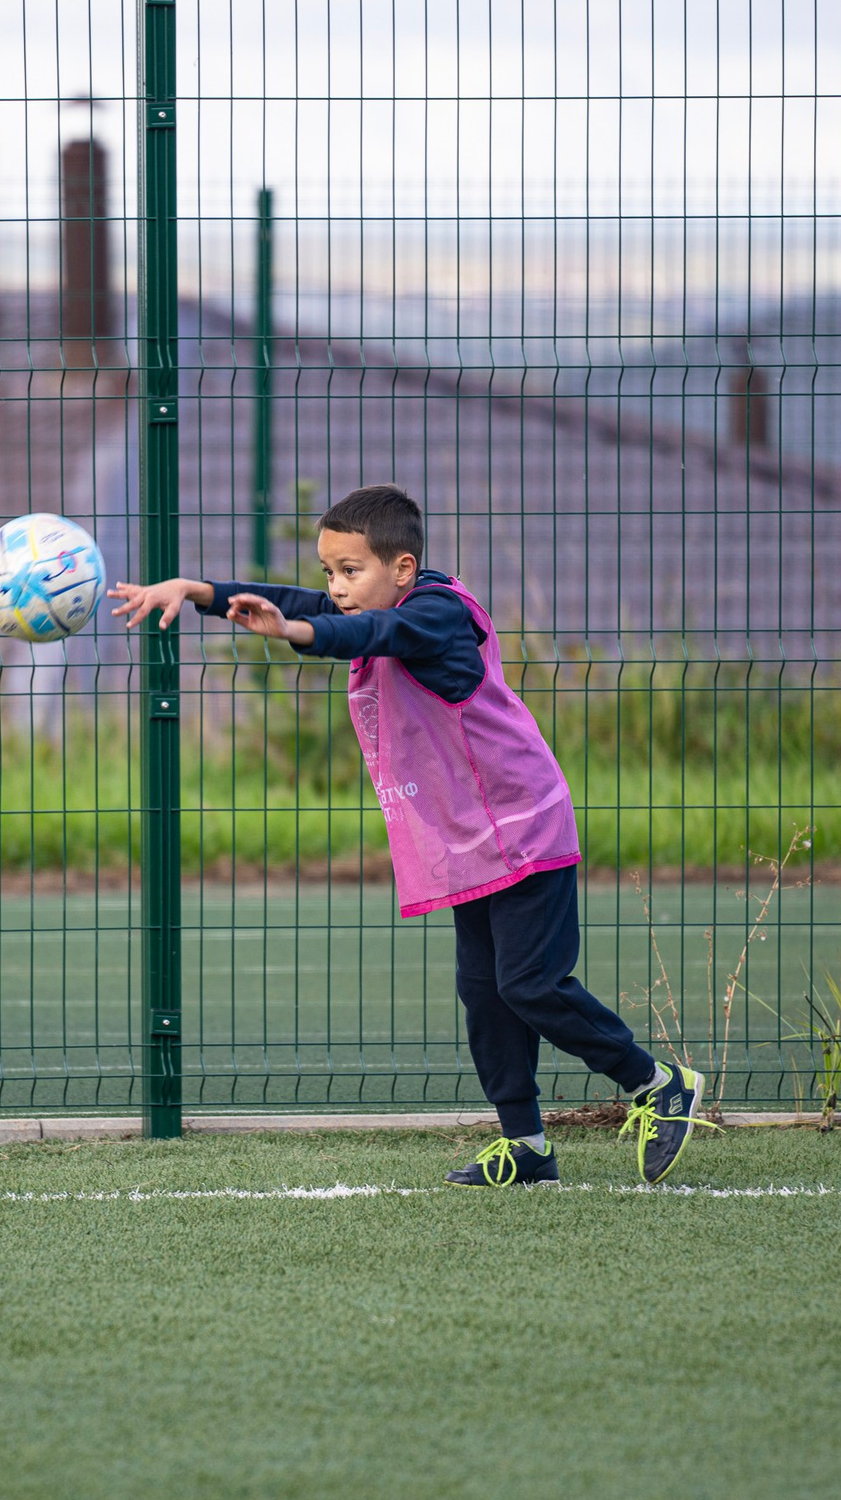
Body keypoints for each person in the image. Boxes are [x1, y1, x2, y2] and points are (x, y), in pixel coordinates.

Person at [108, 484, 701, 1188]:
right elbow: (303, 605)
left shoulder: (437, 615)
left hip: (523, 826)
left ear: (402, 567)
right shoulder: (380, 598)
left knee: (530, 985)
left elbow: (365, 634)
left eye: (350, 571)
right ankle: (527, 1146)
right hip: (469, 841)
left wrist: (296, 636)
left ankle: (656, 1081)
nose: (335, 587)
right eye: (329, 571)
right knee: (484, 991)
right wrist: (197, 589)